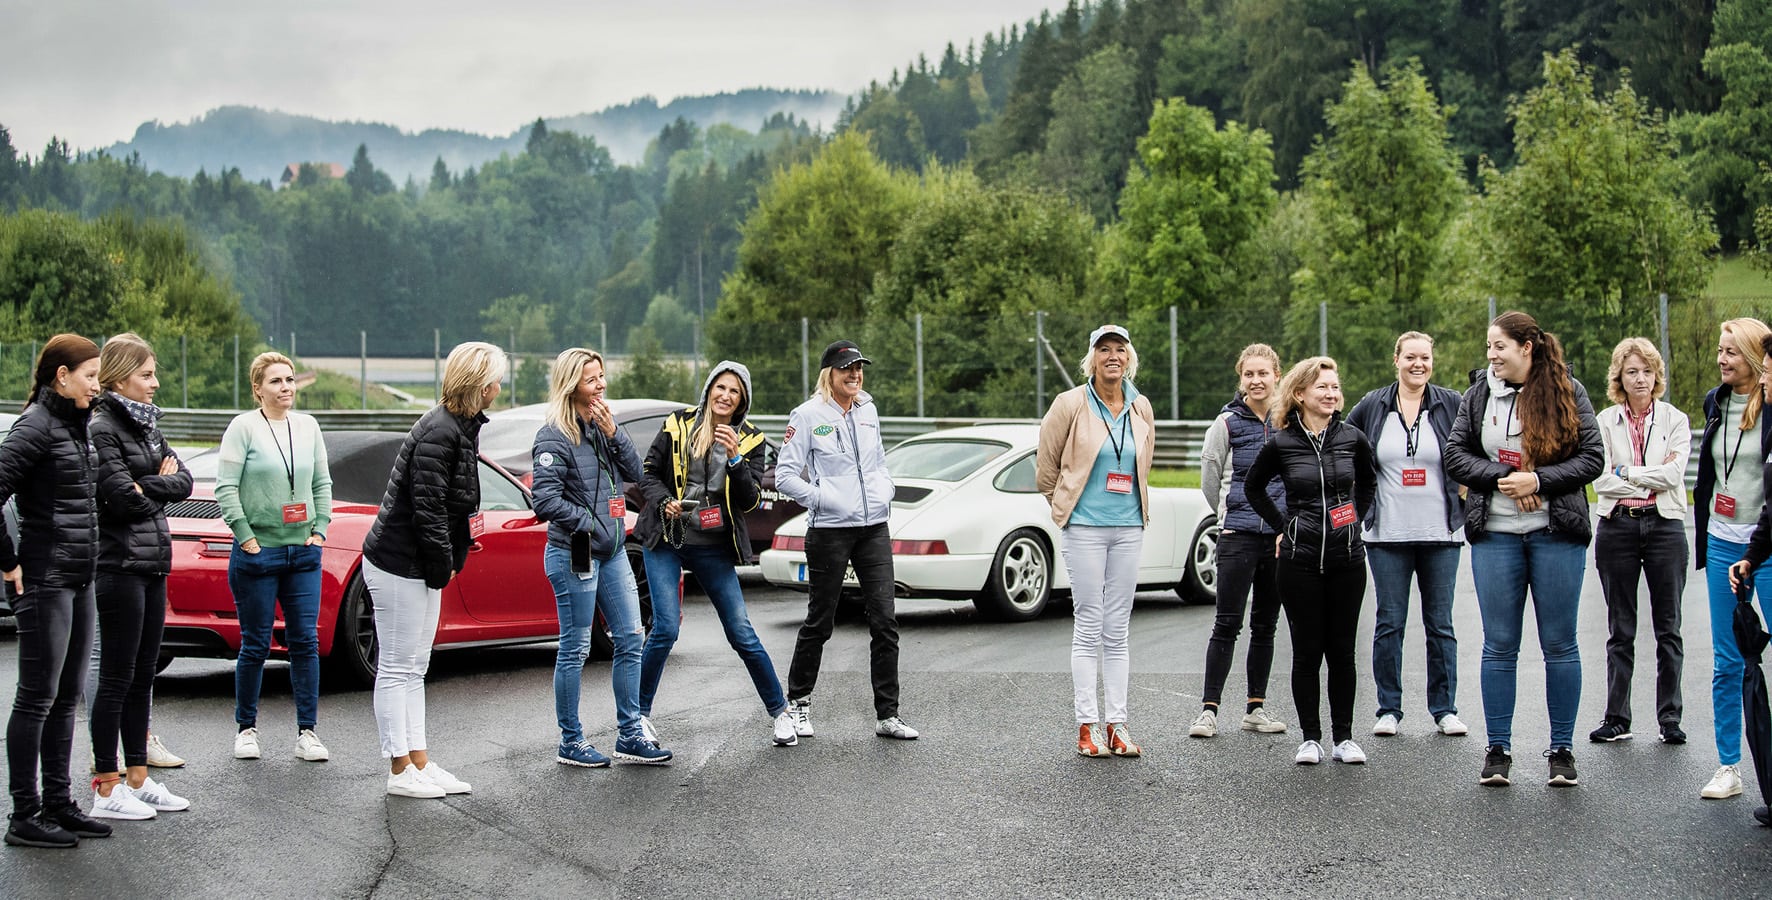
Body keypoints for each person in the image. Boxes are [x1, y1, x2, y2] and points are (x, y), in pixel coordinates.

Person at [1444, 311, 1603, 788]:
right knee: (1499, 645)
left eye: (1499, 347)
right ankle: (1498, 750)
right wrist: (1506, 480)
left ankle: (1561, 751)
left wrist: (1540, 481)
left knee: (1559, 643)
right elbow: (1455, 454)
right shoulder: (1477, 396)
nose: (1490, 355)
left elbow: (1592, 457)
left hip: (1555, 533)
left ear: (1526, 347)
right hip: (1495, 535)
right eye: (1489, 347)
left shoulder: (1568, 391)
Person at [360, 342, 506, 798]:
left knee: (415, 665)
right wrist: (444, 567)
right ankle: (399, 769)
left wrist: (447, 558)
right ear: (482, 386)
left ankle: (419, 760)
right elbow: (428, 513)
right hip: (400, 562)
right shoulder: (441, 432)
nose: (500, 388)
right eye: (496, 380)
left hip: (420, 563)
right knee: (398, 666)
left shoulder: (460, 427)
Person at [634, 361, 797, 748]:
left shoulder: (752, 440)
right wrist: (664, 503)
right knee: (665, 629)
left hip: (714, 546)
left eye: (734, 392)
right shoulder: (678, 424)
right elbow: (648, 474)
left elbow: (751, 499)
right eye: (720, 387)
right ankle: (637, 717)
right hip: (668, 539)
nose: (725, 396)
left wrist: (737, 459)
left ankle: (780, 713)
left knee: (741, 633)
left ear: (742, 402)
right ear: (708, 390)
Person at [532, 348, 671, 767]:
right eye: (593, 379)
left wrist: (614, 433)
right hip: (573, 553)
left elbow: (635, 474)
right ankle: (570, 741)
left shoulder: (600, 427)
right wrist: (589, 522)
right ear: (572, 383)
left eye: (602, 377)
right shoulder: (553, 436)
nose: (601, 386)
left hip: (611, 553)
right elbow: (544, 500)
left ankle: (630, 733)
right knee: (574, 649)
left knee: (631, 637)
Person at [778, 340, 917, 741]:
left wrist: (883, 489)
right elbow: (786, 475)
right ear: (829, 374)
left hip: (873, 527)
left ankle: (887, 715)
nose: (855, 375)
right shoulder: (806, 416)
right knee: (820, 621)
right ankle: (798, 704)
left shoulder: (868, 409)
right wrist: (822, 498)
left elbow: (878, 462)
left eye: (859, 368)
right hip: (829, 531)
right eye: (846, 369)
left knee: (885, 620)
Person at [0, 335, 108, 848]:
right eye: (90, 375)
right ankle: (24, 816)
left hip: (79, 578)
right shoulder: (36, 427)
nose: (97, 384)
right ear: (61, 376)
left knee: (67, 697)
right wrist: (8, 562)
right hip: (44, 580)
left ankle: (59, 804)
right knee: (37, 698)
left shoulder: (76, 425)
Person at [1245, 357, 1376, 766]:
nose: (1332, 394)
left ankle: (1344, 737)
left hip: (1347, 560)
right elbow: (1253, 488)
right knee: (1306, 651)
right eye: (1323, 388)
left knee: (1342, 652)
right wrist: (1284, 526)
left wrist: (1355, 520)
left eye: (1335, 388)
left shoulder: (1353, 437)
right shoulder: (1281, 442)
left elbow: (1369, 482)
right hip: (1298, 562)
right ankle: (1311, 739)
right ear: (1300, 394)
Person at [87, 334, 193, 821]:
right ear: (120, 377)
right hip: (118, 564)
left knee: (142, 674)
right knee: (116, 677)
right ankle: (106, 787)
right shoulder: (103, 426)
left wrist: (147, 482)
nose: (156, 382)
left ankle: (137, 776)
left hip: (153, 562)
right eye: (147, 374)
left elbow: (185, 481)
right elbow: (118, 497)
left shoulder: (148, 427)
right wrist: (156, 483)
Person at [1036, 325, 1154, 757]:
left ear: (1128, 358)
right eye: (1103, 350)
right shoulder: (1069, 404)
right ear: (1091, 358)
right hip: (1084, 527)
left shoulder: (1140, 407)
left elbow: (1143, 465)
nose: (1112, 357)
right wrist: (1064, 507)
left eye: (1119, 349)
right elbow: (1046, 468)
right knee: (1089, 624)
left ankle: (1118, 725)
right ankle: (1087, 726)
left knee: (1118, 628)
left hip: (1128, 527)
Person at [1345, 332, 1468, 739]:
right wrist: (1356, 504)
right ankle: (1388, 709)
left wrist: (1465, 495)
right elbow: (1344, 449)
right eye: (1410, 357)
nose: (1418, 364)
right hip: (1386, 533)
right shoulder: (1372, 404)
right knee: (1389, 623)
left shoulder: (1451, 403)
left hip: (1441, 533)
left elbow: (1471, 452)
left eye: (1425, 357)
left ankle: (1445, 709)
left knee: (1440, 624)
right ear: (1395, 359)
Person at [216, 352, 332, 764]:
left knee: (305, 641)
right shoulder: (243, 427)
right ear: (258, 388)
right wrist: (246, 538)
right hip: (258, 553)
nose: (286, 387)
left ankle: (308, 731)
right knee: (256, 644)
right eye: (276, 381)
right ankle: (246, 728)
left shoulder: (308, 426)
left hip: (302, 552)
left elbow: (322, 481)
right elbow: (226, 488)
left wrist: (320, 530)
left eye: (290, 379)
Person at [1588, 338, 1689, 747]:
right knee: (1620, 630)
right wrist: (1646, 473)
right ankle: (1617, 718)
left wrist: (1627, 470)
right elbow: (1599, 478)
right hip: (1618, 527)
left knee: (1669, 629)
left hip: (1665, 527)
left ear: (1656, 375)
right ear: (1620, 378)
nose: (1640, 378)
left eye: (1647, 371)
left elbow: (1674, 475)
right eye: (1632, 371)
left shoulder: (1675, 419)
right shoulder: (1604, 420)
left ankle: (1670, 719)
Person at [1190, 343, 1289, 739]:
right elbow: (1209, 479)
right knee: (1226, 624)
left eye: (1263, 373)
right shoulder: (1226, 423)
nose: (1256, 380)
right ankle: (1208, 711)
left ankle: (1255, 709)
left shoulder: (1289, 421)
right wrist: (1227, 517)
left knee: (1265, 624)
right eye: (1249, 374)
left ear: (1277, 376)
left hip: (1279, 539)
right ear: (1241, 378)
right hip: (1238, 537)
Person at [1705, 319, 1772, 800]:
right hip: (1720, 541)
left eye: (1731, 352)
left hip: (1765, 546)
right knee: (1727, 660)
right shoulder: (1715, 402)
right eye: (1720, 351)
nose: (1722, 359)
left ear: (1754, 358)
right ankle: (1729, 765)